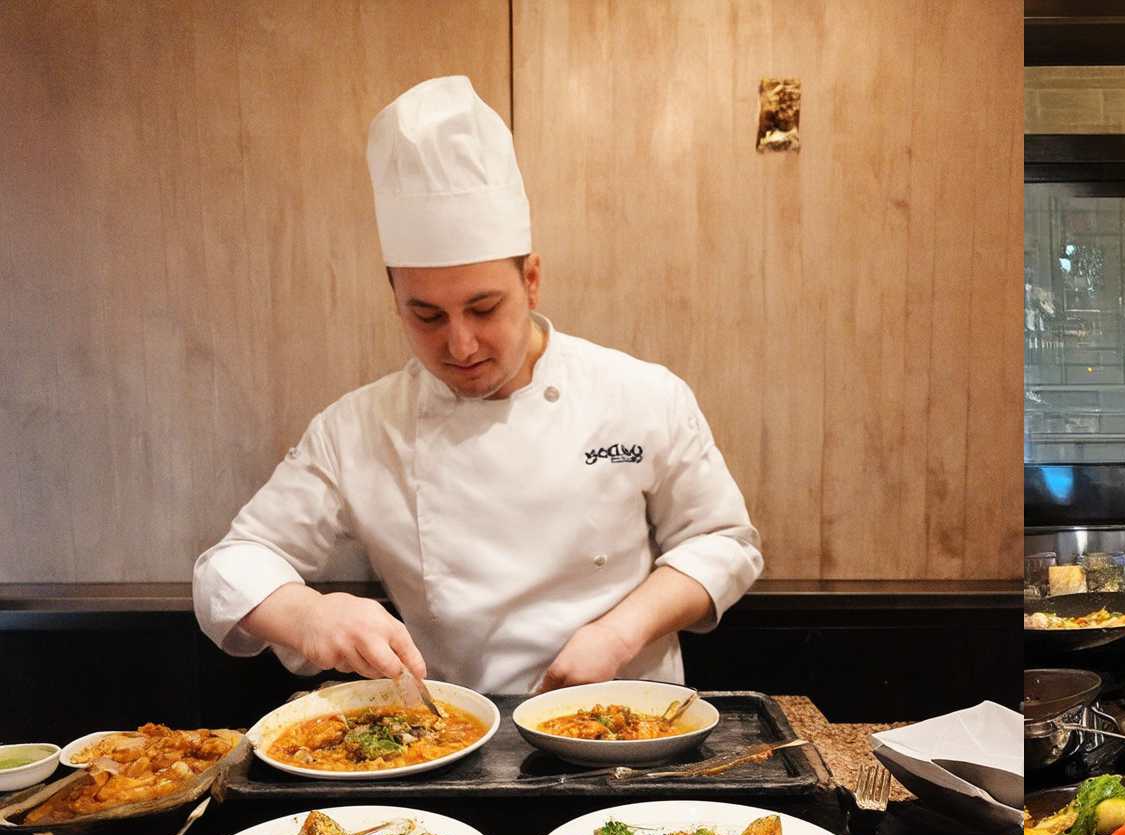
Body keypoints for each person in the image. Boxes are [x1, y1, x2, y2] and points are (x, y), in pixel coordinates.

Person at [193, 76, 762, 699]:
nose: (460, 345)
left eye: (485, 308)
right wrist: (308, 614)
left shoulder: (642, 395)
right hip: (451, 740)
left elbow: (723, 541)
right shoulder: (356, 429)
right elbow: (227, 568)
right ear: (396, 302)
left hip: (631, 731)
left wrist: (624, 631)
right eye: (427, 316)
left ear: (533, 281)